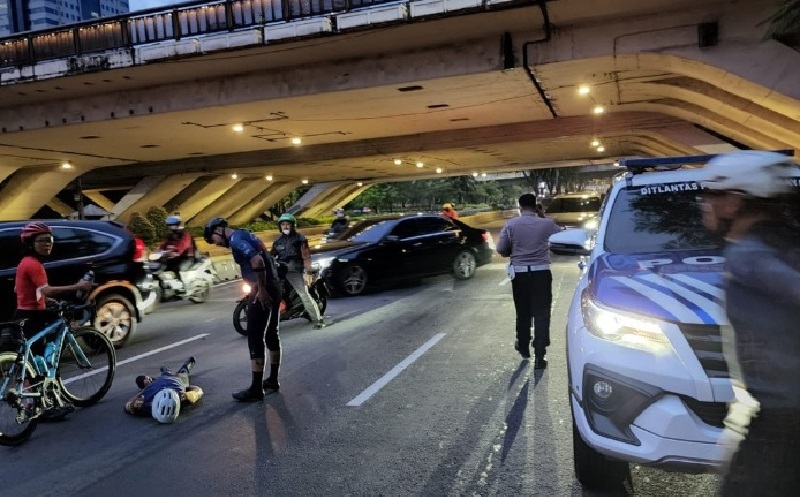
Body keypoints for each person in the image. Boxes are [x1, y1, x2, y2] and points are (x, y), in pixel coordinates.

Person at [698, 151, 800, 496]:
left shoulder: (749, 254)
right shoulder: (785, 241)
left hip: (782, 421)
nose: (705, 204)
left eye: (712, 194)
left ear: (734, 202)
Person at [14, 222, 93, 418]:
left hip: (25, 314)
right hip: (34, 318)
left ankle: (40, 402)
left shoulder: (25, 262)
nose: (48, 244)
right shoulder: (34, 265)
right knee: (42, 361)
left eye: (50, 240)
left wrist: (47, 300)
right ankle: (41, 408)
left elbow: (21, 290)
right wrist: (78, 286)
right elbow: (46, 289)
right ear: (31, 243)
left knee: (35, 361)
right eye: (42, 241)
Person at [204, 217, 283, 401]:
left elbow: (257, 262)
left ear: (218, 230)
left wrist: (261, 290)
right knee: (272, 333)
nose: (216, 244)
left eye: (213, 239)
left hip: (261, 288)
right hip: (275, 284)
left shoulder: (236, 240)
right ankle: (272, 380)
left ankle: (256, 389)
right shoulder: (245, 234)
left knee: (255, 338)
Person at [496, 194, 561, 369]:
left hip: (520, 275)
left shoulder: (511, 225)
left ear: (520, 207)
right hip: (541, 273)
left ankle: (523, 345)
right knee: (542, 313)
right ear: (536, 206)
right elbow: (559, 236)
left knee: (523, 312)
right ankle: (540, 355)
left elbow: (501, 248)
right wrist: (542, 216)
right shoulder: (546, 223)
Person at [270, 213, 325, 329]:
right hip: (281, 270)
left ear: (292, 225)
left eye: (287, 224)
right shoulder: (277, 241)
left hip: (295, 270)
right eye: (283, 224)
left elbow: (306, 256)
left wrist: (307, 272)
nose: (285, 226)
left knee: (304, 294)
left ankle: (318, 320)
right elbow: (271, 256)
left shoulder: (300, 239)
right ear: (279, 226)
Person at [124, 357, 203, 422]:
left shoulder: (144, 404)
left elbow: (128, 405)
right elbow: (199, 391)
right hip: (175, 381)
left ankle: (165, 372)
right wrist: (187, 389)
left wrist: (133, 403)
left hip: (154, 383)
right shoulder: (184, 398)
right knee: (182, 373)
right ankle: (184, 367)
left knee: (139, 380)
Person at [159, 215, 196, 288]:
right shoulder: (170, 236)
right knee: (163, 268)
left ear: (178, 224)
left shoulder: (185, 234)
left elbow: (184, 244)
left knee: (179, 268)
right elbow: (163, 245)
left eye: (173, 225)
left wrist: (177, 251)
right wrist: (159, 252)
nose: (171, 227)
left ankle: (184, 287)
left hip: (187, 257)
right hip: (174, 258)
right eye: (169, 225)